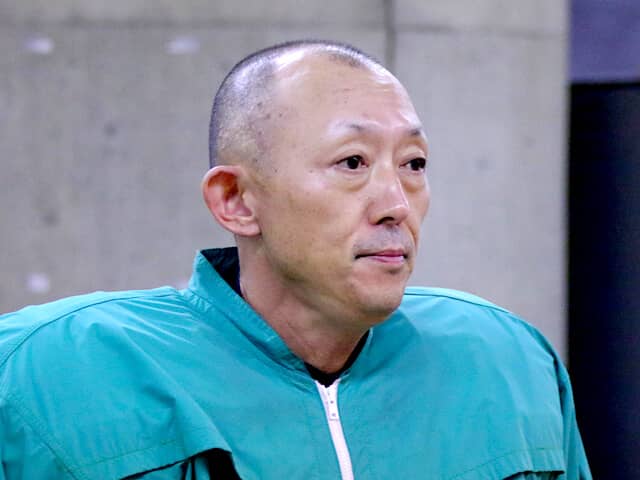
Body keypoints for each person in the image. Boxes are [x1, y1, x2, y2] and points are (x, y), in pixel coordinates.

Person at [0, 40, 590, 479]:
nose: (396, 204)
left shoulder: (507, 360)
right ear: (236, 200)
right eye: (352, 163)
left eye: (413, 164)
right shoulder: (50, 370)